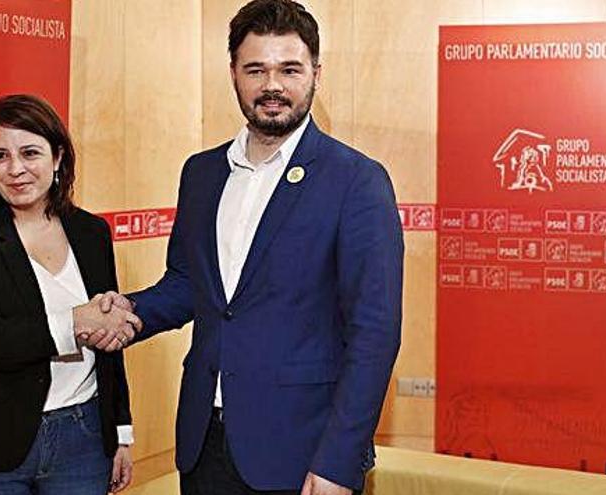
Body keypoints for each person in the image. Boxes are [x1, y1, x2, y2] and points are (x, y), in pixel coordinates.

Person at [102, 1, 403, 493]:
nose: (272, 86)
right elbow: (188, 286)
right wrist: (126, 313)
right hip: (204, 443)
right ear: (234, 75)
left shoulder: (356, 181)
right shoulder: (200, 173)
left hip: (302, 450)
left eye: (290, 69)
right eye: (256, 69)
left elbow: (374, 334)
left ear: (316, 74)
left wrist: (338, 463)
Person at [0, 94, 140, 494]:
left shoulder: (91, 233)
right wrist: (77, 322)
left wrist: (120, 433)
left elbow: (111, 342)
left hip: (84, 440)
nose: (16, 169)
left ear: (58, 157)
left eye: (30, 152)